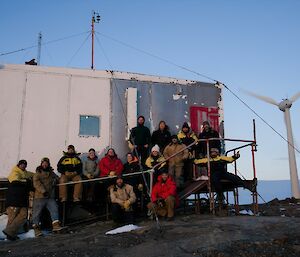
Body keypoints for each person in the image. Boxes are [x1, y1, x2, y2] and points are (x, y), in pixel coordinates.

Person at [3, 160, 34, 240]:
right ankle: (10, 235)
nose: (23, 166)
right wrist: (26, 181)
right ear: (18, 165)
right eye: (22, 164)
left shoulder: (26, 173)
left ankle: (9, 232)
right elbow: (15, 181)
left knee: (23, 216)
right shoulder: (15, 172)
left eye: (25, 164)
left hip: (22, 200)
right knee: (12, 217)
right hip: (13, 199)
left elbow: (34, 174)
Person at [32, 158, 62, 237]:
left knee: (54, 209)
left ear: (48, 164)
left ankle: (56, 225)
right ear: (41, 164)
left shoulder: (51, 172)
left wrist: (56, 180)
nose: (45, 164)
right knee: (37, 213)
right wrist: (43, 191)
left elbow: (57, 179)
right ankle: (36, 229)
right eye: (43, 163)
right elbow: (36, 183)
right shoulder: (38, 173)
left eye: (46, 163)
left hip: (50, 196)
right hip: (40, 196)